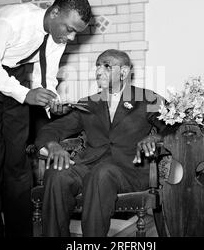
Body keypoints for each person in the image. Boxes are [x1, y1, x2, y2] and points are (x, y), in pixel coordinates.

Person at [0, 0, 91, 237]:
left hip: (14, 74)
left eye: (76, 32)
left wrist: (50, 99)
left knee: (17, 163)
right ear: (54, 12)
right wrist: (24, 94)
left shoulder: (56, 35)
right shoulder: (13, 20)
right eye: (69, 28)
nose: (71, 37)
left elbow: (47, 74)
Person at [34, 49, 171, 237]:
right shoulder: (88, 104)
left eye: (106, 66)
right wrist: (52, 145)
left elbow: (172, 126)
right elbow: (52, 129)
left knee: (102, 174)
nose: (98, 71)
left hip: (129, 170)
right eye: (97, 66)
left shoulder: (148, 98)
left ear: (123, 72)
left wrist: (156, 137)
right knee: (57, 173)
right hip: (89, 165)